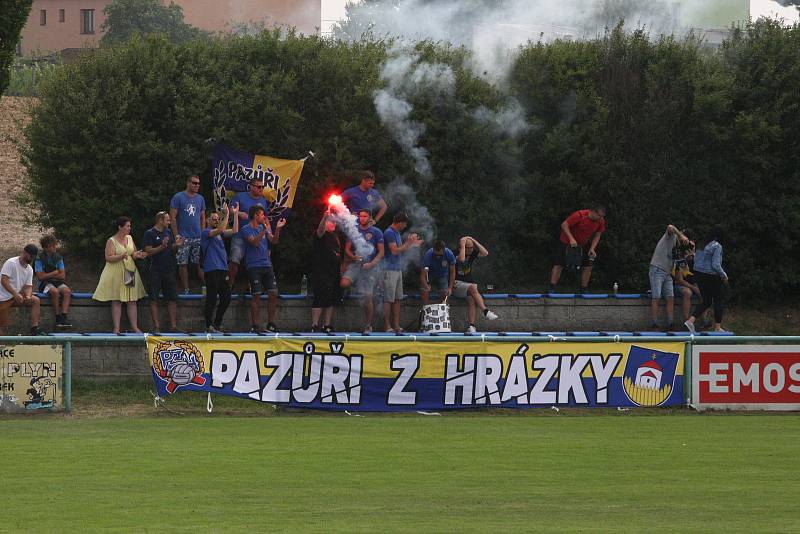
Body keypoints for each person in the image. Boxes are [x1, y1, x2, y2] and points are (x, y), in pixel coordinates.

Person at [92, 216, 148, 334]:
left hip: (129, 271)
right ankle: (116, 328)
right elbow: (108, 257)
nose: (129, 228)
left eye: (129, 226)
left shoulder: (129, 238)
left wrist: (139, 255)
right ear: (120, 227)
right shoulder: (111, 241)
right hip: (116, 272)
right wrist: (120, 256)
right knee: (117, 299)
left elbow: (133, 253)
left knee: (131, 299)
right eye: (127, 226)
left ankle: (134, 327)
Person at [240, 205, 285, 333]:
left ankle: (271, 323)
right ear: (255, 215)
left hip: (267, 264)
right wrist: (263, 230)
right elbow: (254, 242)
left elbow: (273, 241)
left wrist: (277, 230)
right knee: (256, 295)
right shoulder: (246, 229)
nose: (264, 217)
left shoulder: (263, 228)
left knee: (273, 293)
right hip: (253, 266)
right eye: (261, 214)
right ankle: (255, 325)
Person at [340, 209, 385, 334]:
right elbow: (347, 249)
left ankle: (368, 325)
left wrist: (371, 264)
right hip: (356, 264)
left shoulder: (376, 232)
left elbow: (381, 252)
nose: (362, 218)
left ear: (370, 217)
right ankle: (353, 287)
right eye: (360, 216)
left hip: (370, 268)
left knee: (367, 296)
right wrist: (353, 257)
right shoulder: (354, 230)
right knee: (343, 283)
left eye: (365, 216)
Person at [549, 205, 606, 293]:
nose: (601, 218)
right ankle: (552, 288)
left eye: (602, 216)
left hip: (583, 243)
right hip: (566, 242)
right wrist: (571, 238)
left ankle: (584, 289)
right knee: (559, 264)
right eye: (599, 215)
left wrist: (592, 248)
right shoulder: (579, 215)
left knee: (588, 266)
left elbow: (598, 234)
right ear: (593, 212)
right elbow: (564, 225)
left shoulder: (600, 221)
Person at [201, 202, 239, 333]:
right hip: (211, 269)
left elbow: (235, 231)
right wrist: (226, 213)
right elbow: (221, 229)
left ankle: (217, 323)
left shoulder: (220, 234)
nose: (216, 221)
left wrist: (235, 214)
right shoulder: (206, 232)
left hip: (222, 269)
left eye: (217, 219)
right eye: (213, 219)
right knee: (211, 297)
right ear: (207, 220)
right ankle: (208, 325)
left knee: (226, 297)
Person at [143, 211, 182, 333]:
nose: (169, 222)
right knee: (153, 298)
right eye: (167, 220)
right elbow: (148, 251)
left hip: (169, 269)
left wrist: (177, 245)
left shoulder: (168, 232)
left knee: (172, 298)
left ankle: (173, 326)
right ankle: (156, 326)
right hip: (154, 270)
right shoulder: (150, 233)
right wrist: (162, 246)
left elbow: (170, 249)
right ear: (160, 220)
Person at [382, 213, 423, 333]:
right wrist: (408, 243)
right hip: (389, 269)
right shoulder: (389, 232)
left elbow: (401, 250)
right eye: (404, 224)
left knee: (397, 299)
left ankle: (396, 325)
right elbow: (394, 251)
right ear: (399, 222)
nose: (405, 226)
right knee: (388, 299)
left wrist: (413, 244)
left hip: (397, 269)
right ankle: (387, 325)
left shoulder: (397, 233)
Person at [685, 227, 729, 334]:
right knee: (718, 300)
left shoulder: (702, 244)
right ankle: (718, 327)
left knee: (707, 301)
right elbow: (715, 264)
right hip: (711, 276)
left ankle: (691, 321)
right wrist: (724, 275)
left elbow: (695, 260)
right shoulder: (717, 246)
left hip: (699, 275)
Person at [228, 177, 270, 288]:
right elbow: (230, 209)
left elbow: (265, 218)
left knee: (253, 262)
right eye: (259, 187)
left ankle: (250, 286)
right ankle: (229, 285)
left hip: (256, 237)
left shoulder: (263, 200)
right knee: (234, 259)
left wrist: (269, 233)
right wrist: (239, 213)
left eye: (263, 187)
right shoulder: (240, 196)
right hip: (240, 235)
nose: (261, 189)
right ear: (251, 187)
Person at [648, 224, 690, 331]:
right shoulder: (671, 236)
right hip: (657, 269)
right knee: (656, 296)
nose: (684, 243)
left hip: (666, 273)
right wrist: (681, 235)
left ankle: (670, 323)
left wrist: (687, 257)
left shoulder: (678, 248)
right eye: (684, 240)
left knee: (670, 297)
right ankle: (654, 324)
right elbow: (670, 226)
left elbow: (683, 267)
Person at [169, 175, 206, 293]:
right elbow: (173, 217)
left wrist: (202, 233)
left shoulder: (200, 198)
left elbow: (202, 218)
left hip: (197, 236)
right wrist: (176, 235)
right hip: (183, 236)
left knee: (198, 263)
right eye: (194, 183)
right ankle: (186, 288)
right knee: (182, 263)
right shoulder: (178, 197)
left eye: (198, 184)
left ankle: (207, 286)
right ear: (188, 183)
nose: (197, 186)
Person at [454, 236, 498, 333]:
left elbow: (485, 253)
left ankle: (471, 326)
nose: (471, 250)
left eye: (472, 248)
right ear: (462, 247)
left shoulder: (472, 253)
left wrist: (472, 240)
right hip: (456, 285)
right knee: (473, 286)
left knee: (471, 300)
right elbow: (461, 259)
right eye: (469, 248)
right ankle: (486, 311)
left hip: (468, 286)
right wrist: (462, 245)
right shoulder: (455, 253)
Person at [0, 244, 45, 336]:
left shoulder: (29, 269)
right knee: (2, 325)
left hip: (15, 297)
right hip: (3, 297)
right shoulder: (11, 262)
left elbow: (28, 286)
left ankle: (34, 328)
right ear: (24, 253)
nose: (31, 258)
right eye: (30, 256)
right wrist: (15, 294)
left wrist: (28, 296)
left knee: (35, 300)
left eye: (33, 257)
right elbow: (4, 281)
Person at [310, 209, 341, 333]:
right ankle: (314, 324)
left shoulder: (335, 236)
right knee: (319, 297)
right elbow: (320, 230)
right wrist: (324, 218)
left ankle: (327, 325)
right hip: (321, 271)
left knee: (331, 299)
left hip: (334, 272)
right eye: (330, 221)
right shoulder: (320, 234)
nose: (333, 223)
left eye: (334, 221)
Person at [34, 235, 72, 328]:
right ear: (46, 247)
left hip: (56, 282)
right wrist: (54, 272)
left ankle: (64, 317)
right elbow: (40, 276)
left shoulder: (58, 258)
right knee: (54, 291)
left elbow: (62, 275)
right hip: (45, 283)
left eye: (55, 245)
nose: (55, 247)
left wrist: (48, 274)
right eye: (52, 246)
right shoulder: (39, 258)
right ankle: (57, 317)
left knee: (67, 291)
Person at [420, 240, 456, 305]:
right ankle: (426, 308)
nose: (438, 256)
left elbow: (452, 272)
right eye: (436, 254)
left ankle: (443, 309)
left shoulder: (449, 254)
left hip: (443, 274)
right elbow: (422, 275)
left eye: (440, 255)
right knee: (424, 290)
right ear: (433, 249)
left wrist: (450, 288)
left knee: (445, 292)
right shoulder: (428, 255)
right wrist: (426, 286)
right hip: (430, 274)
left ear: (444, 250)